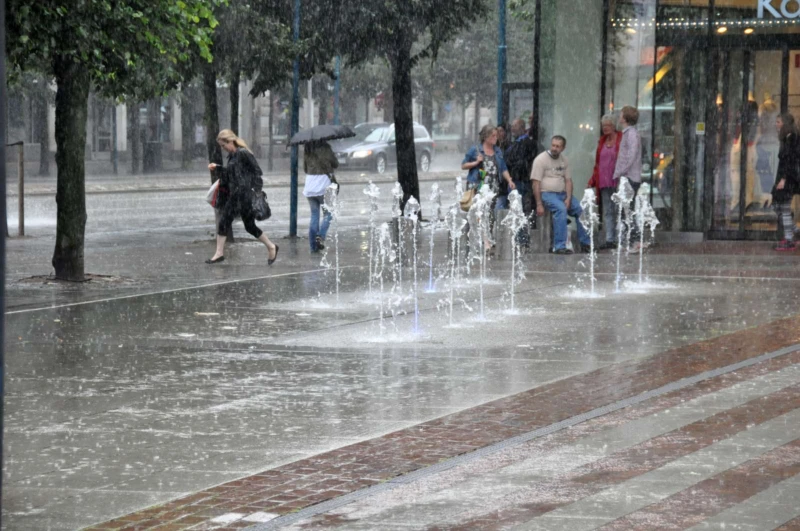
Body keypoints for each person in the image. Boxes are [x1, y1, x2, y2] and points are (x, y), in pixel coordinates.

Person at [206, 129, 278, 265]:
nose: (223, 149)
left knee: (235, 223)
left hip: (244, 195)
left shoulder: (243, 153)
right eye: (221, 146)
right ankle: (270, 246)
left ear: (230, 141)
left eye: (223, 145)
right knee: (241, 225)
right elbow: (231, 174)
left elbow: (257, 172)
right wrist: (218, 168)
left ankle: (219, 253)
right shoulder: (232, 156)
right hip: (237, 194)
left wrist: (254, 191)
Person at [531, 135, 591, 255]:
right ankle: (559, 246)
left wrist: (569, 198)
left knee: (580, 210)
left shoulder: (565, 160)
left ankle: (586, 243)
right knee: (561, 209)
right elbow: (535, 183)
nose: (554, 148)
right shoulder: (540, 160)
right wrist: (539, 204)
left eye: (558, 146)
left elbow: (568, 181)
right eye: (553, 145)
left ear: (563, 148)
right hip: (547, 194)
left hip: (562, 193)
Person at [588, 114, 622, 250]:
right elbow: (597, 163)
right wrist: (592, 180)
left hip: (618, 180)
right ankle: (610, 239)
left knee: (620, 209)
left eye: (607, 125)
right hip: (603, 180)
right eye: (603, 126)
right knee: (608, 210)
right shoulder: (602, 141)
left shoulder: (621, 139)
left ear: (614, 126)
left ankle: (622, 237)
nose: (605, 128)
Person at [462, 125, 516, 210]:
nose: (496, 138)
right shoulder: (475, 150)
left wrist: (509, 180)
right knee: (479, 213)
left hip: (494, 188)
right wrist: (476, 162)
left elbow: (503, 168)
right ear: (486, 137)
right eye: (493, 136)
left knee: (492, 214)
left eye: (496, 136)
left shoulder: (497, 151)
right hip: (478, 187)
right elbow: (463, 165)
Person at [612, 106, 643, 249]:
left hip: (629, 177)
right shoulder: (629, 133)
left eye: (621, 114)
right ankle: (631, 240)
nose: (619, 117)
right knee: (626, 209)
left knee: (627, 210)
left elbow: (631, 155)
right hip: (629, 176)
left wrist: (621, 172)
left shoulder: (631, 134)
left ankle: (634, 241)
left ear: (624, 118)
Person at [303, 140, 338, 253]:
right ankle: (321, 236)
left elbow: (305, 168)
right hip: (324, 185)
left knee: (314, 215)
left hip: (310, 185)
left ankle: (313, 247)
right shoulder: (326, 149)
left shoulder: (308, 150)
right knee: (328, 213)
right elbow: (336, 164)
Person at [773, 113, 800, 251]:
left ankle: (789, 238)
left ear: (785, 124)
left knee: (782, 207)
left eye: (778, 122)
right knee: (780, 207)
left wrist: (783, 179)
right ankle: (794, 232)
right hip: (787, 177)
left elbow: (789, 161)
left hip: (787, 178)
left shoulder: (791, 138)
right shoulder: (788, 138)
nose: (776, 124)